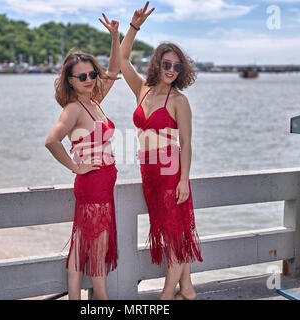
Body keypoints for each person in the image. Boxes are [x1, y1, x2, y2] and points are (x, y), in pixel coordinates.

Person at [120, 1, 203, 300]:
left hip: (170, 173)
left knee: (172, 235)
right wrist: (134, 26)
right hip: (148, 172)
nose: (171, 70)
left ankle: (168, 295)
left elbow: (187, 144)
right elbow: (122, 58)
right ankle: (188, 289)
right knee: (172, 230)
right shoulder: (142, 89)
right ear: (157, 64)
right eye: (166, 64)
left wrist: (184, 180)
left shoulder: (179, 101)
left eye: (177, 67)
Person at [44, 14, 120, 300]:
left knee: (80, 247)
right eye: (82, 77)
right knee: (96, 253)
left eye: (92, 74)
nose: (89, 79)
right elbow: (52, 141)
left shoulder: (95, 100)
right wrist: (76, 166)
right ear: (71, 80)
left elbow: (114, 68)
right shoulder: (74, 108)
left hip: (102, 184)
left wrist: (115, 36)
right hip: (92, 185)